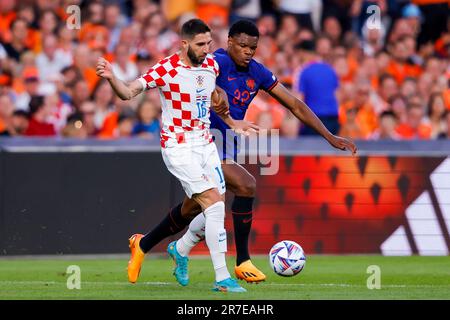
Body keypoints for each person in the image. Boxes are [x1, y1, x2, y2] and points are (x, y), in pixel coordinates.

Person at [128, 20, 357, 286]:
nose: (248, 51)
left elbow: (294, 104)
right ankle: (241, 262)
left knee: (197, 207)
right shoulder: (214, 61)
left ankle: (156, 245)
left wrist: (329, 136)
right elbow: (194, 77)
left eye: (253, 47)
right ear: (229, 43)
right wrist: (217, 91)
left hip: (228, 142)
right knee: (244, 186)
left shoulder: (257, 72)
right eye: (243, 46)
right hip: (201, 140)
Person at [96, 18, 256, 293]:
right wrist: (112, 78)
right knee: (215, 205)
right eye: (201, 44)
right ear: (184, 44)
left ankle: (177, 249)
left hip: (206, 145)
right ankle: (222, 279)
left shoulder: (211, 66)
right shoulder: (166, 69)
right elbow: (128, 93)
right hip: (178, 147)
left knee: (210, 209)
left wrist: (232, 122)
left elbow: (215, 99)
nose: (207, 49)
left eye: (209, 43)